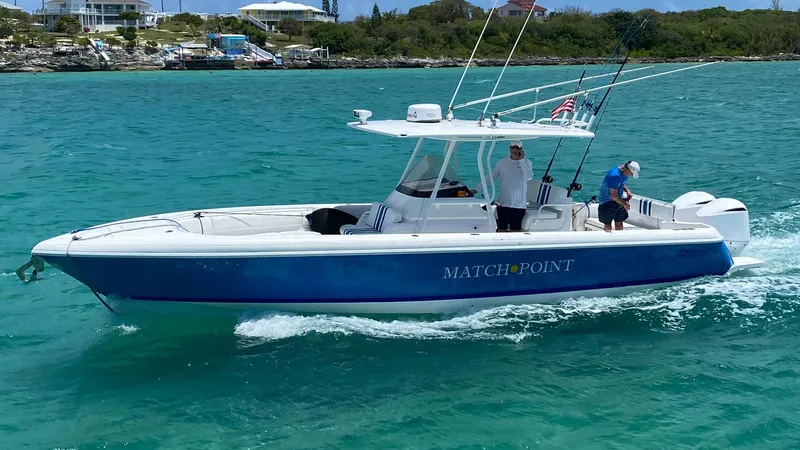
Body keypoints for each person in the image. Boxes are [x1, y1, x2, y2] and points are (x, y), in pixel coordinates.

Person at [470, 141, 533, 232]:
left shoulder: (526, 162)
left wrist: (521, 161)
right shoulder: (502, 162)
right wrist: (476, 189)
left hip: (519, 205)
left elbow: (529, 177)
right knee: (501, 229)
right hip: (503, 203)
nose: (515, 149)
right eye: (513, 147)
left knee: (515, 230)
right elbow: (491, 177)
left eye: (517, 148)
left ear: (521, 150)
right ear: (509, 148)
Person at [597, 160, 640, 232]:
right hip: (607, 202)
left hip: (618, 200)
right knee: (608, 225)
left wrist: (627, 191)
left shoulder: (625, 174)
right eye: (631, 173)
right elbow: (613, 195)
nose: (631, 175)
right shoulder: (614, 175)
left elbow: (621, 183)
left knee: (619, 223)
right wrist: (625, 204)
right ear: (627, 169)